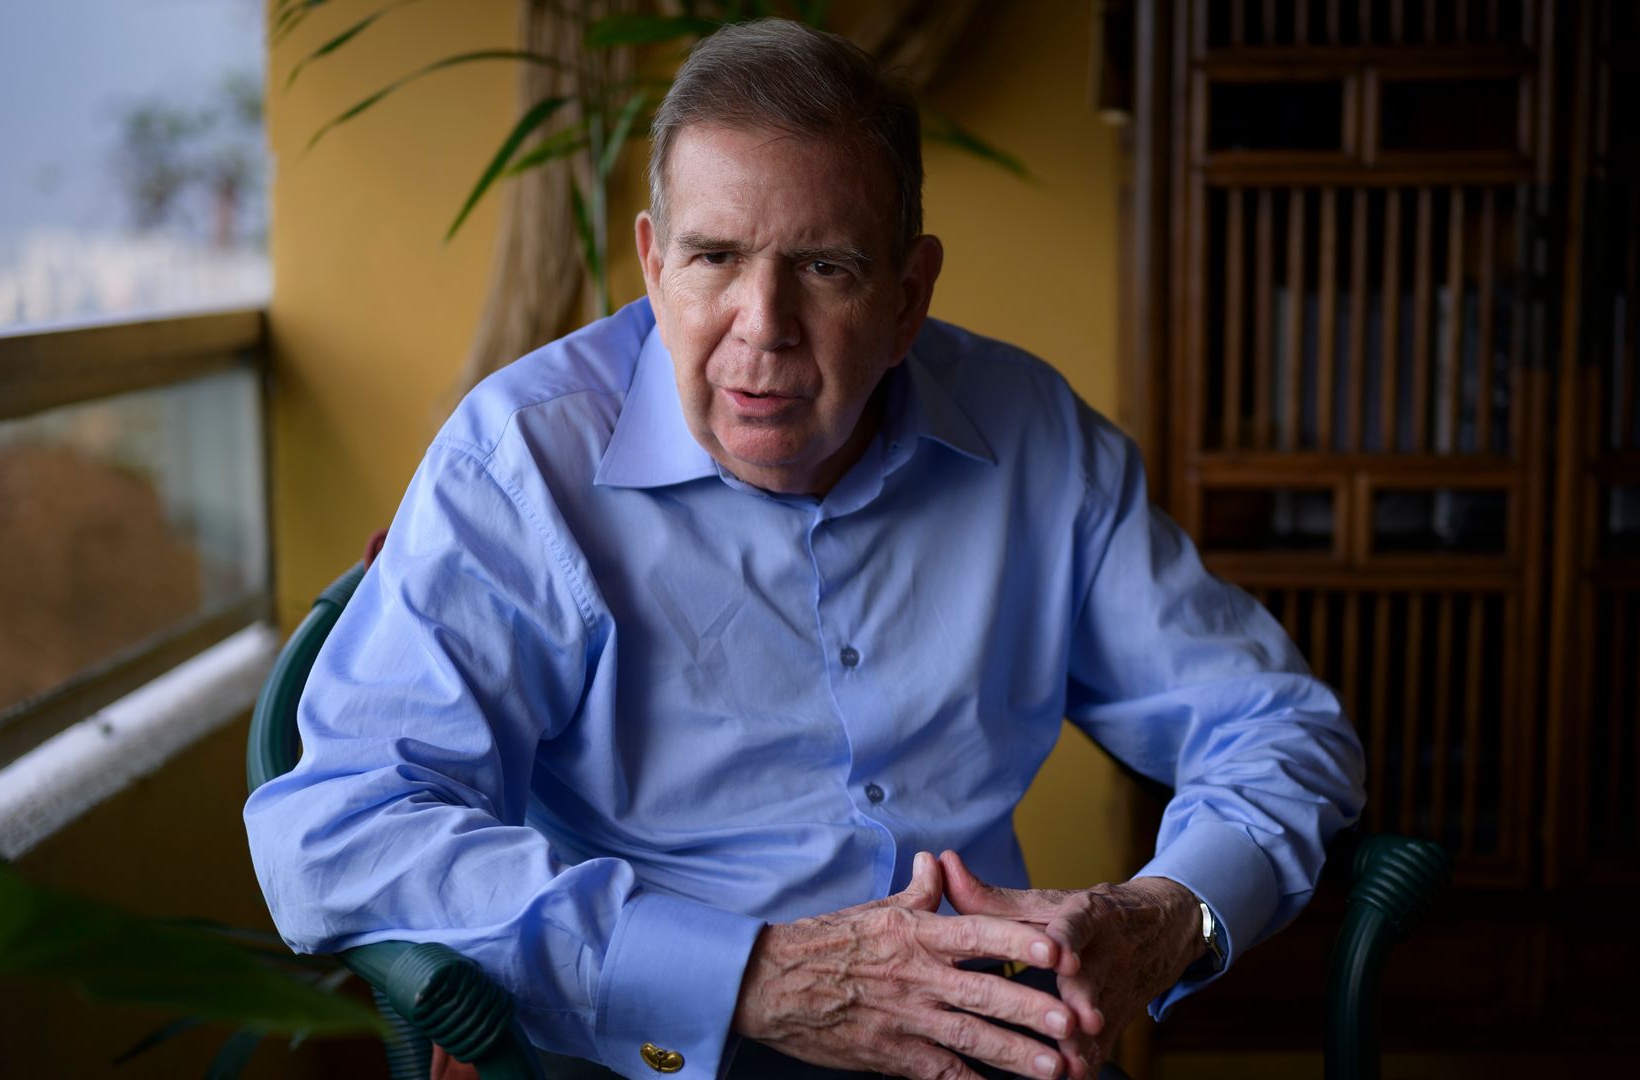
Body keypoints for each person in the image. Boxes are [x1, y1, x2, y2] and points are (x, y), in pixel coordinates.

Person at [244, 18, 1364, 1080]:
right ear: (652, 264)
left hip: (976, 1040)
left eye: (825, 266)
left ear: (911, 293)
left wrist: (1165, 915)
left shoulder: (1034, 439)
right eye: (715, 258)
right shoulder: (520, 460)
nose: (762, 325)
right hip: (641, 1051)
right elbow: (338, 829)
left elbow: (1276, 723)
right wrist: (749, 975)